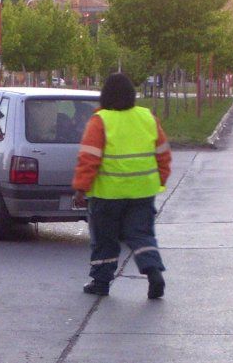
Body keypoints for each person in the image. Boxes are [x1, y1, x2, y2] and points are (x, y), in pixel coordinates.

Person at [72, 73, 172, 299]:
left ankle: (101, 282)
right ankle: (153, 271)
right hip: (143, 192)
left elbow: (89, 159)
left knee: (105, 239)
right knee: (142, 234)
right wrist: (160, 179)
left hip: (108, 195)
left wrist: (81, 188)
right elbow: (163, 154)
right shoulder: (147, 118)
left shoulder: (101, 121)